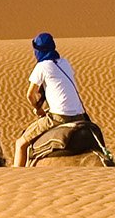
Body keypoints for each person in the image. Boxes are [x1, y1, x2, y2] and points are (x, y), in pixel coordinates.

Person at [13, 32, 95, 167]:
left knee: (20, 144)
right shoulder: (65, 62)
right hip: (80, 116)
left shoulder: (42, 67)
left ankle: (15, 178)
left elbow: (30, 95)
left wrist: (38, 109)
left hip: (59, 117)